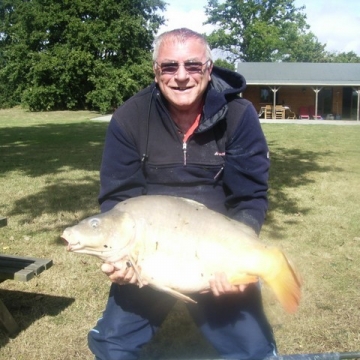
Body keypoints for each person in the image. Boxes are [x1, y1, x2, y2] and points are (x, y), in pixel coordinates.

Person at [88, 28, 276, 360]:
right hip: (149, 256)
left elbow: (249, 197)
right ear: (155, 70)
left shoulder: (239, 115)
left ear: (208, 67)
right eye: (169, 67)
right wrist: (122, 260)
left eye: (192, 65)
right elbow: (118, 199)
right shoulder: (130, 118)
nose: (181, 77)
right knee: (110, 345)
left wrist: (237, 263)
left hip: (215, 254)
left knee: (255, 351)